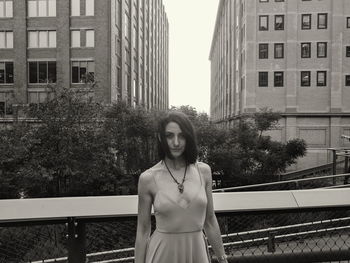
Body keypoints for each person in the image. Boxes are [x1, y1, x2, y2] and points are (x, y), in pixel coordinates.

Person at [135, 111, 228, 263]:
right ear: (160, 138)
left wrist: (222, 259)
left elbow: (210, 220)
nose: (176, 142)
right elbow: (143, 230)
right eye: (169, 136)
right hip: (162, 254)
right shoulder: (148, 178)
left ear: (189, 138)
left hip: (196, 253)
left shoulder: (203, 171)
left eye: (182, 136)